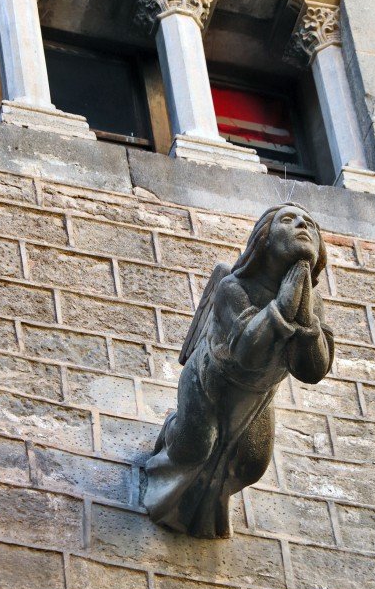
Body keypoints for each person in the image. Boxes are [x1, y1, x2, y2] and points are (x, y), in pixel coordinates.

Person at [142, 203, 335, 538]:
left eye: (310, 223)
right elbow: (247, 351)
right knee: (196, 445)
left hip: (257, 394)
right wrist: (281, 309)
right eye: (288, 220)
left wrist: (307, 321)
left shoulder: (313, 300)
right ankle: (171, 432)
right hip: (210, 381)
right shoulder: (233, 287)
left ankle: (204, 503)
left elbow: (313, 370)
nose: (303, 223)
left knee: (252, 464)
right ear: (264, 240)